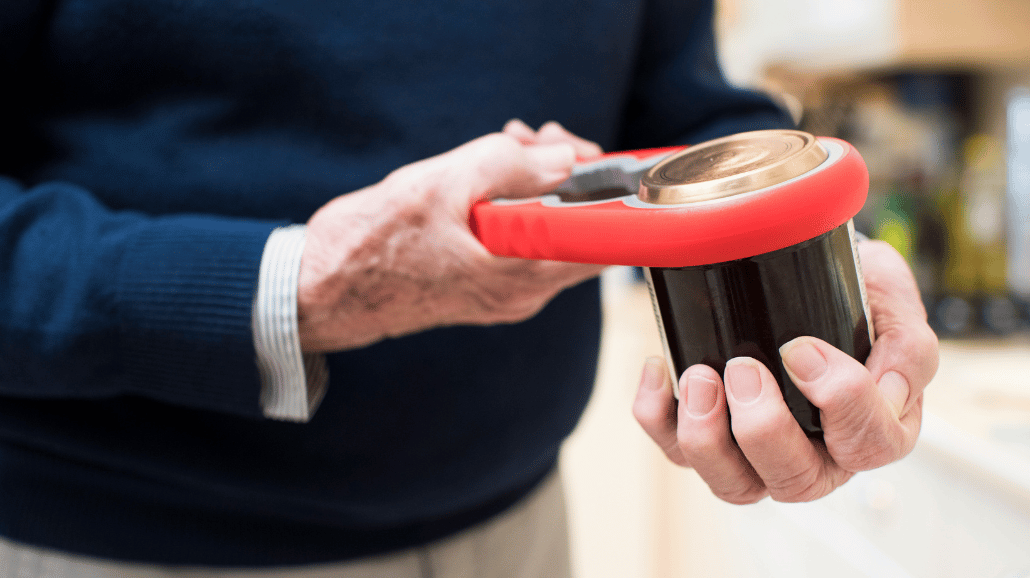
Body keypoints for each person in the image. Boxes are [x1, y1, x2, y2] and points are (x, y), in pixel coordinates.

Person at [0, 0, 938, 576]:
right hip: (127, 547)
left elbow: (681, 104)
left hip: (520, 528)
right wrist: (308, 284)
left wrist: (825, 253)